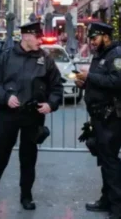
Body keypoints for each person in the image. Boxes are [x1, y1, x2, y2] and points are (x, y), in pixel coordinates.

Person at [0, 21, 63, 210]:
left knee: (28, 158)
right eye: (38, 37)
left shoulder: (45, 59)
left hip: (33, 116)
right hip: (9, 115)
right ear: (27, 37)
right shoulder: (7, 56)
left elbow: (57, 86)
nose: (40, 41)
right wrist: (5, 98)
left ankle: (26, 196)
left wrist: (51, 104)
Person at [75, 22, 121, 219]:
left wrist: (90, 77)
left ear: (106, 36)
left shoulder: (116, 55)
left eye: (94, 38)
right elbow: (99, 83)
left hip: (111, 118)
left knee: (110, 162)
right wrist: (84, 83)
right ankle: (106, 199)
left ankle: (117, 208)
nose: (91, 42)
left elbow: (117, 81)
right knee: (104, 160)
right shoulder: (101, 55)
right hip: (99, 117)